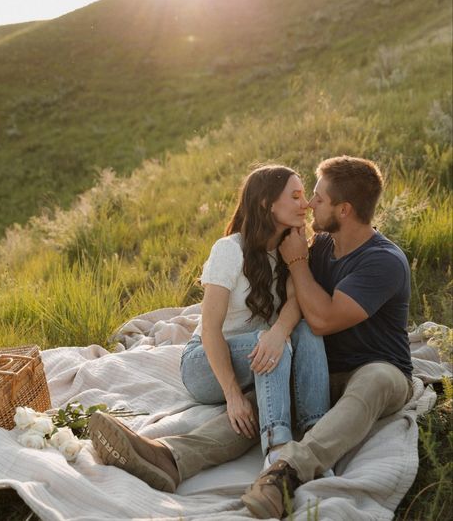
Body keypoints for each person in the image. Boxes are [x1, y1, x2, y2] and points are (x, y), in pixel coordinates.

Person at [89, 156, 413, 520]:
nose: (309, 204)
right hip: (318, 371)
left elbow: (320, 319)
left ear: (346, 209)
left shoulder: (382, 260)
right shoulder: (314, 245)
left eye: (318, 198)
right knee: (262, 393)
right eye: (305, 196)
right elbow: (293, 306)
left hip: (378, 371)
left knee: (369, 378)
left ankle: (286, 471)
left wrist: (296, 265)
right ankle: (170, 457)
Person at [89, 164, 330, 490]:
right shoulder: (230, 250)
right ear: (266, 203)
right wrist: (232, 394)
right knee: (271, 340)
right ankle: (276, 449)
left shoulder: (291, 247)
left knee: (303, 331)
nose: (305, 204)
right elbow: (212, 328)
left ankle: (317, 439)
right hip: (205, 364)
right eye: (296, 196)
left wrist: (277, 333)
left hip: (258, 361)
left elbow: (295, 305)